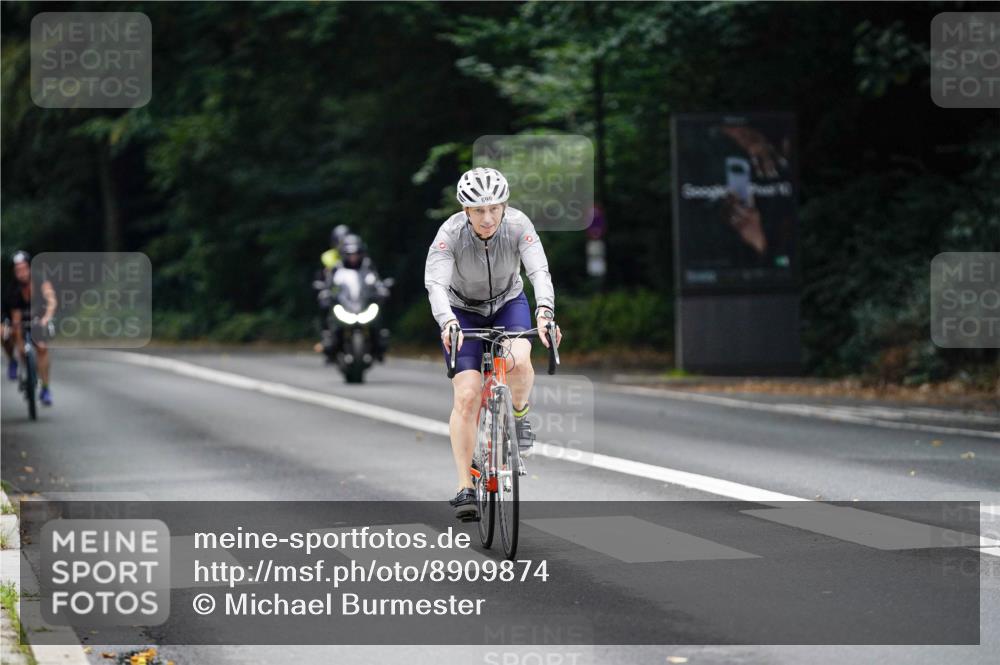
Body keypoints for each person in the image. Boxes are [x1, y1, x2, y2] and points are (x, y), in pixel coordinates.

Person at [424, 167, 562, 520]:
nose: (487, 218)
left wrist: (545, 312)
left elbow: (538, 271)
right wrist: (448, 322)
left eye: (494, 208)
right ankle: (464, 486)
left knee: (519, 360)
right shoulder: (449, 234)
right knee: (467, 394)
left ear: (504, 206)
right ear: (466, 210)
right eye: (478, 210)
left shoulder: (518, 225)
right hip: (461, 311)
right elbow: (436, 284)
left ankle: (519, 414)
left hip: (508, 302)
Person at [7, 251, 57, 405]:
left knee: (42, 348)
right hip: (21, 321)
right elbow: (15, 316)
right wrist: (17, 336)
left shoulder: (40, 279)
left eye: (24, 268)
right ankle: (23, 367)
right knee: (20, 346)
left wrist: (47, 318)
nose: (22, 273)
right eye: (18, 270)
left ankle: (46, 388)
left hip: (39, 319)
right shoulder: (13, 289)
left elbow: (51, 300)